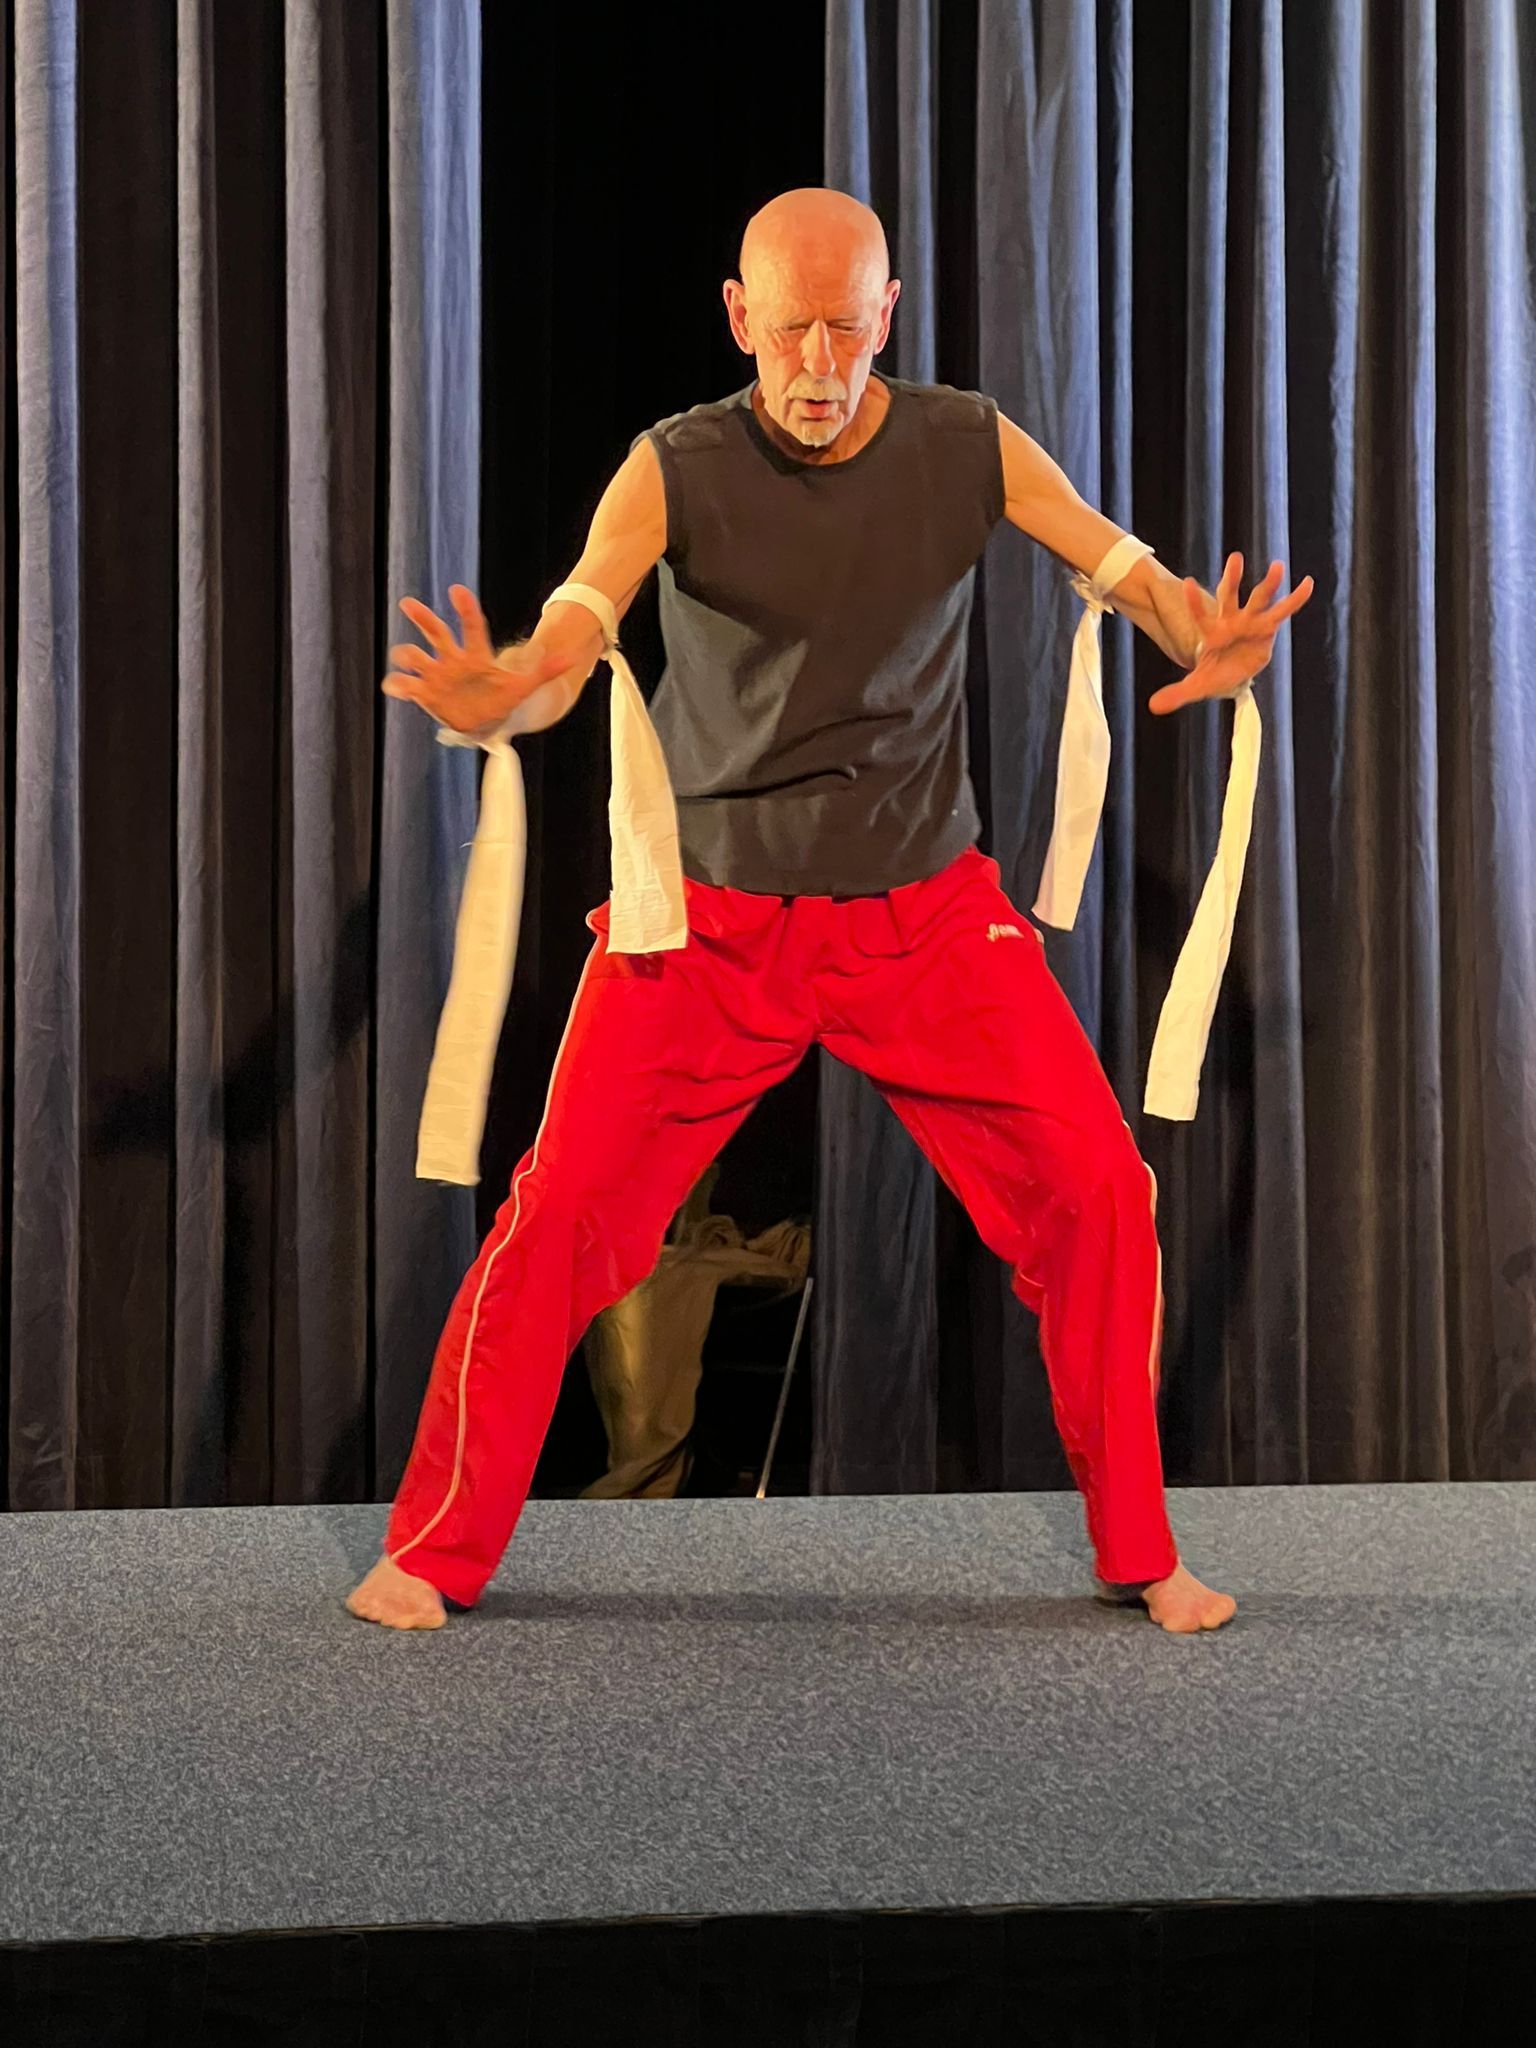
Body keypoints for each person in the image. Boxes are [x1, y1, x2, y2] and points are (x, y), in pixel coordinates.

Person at [347, 186, 1312, 1636]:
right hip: (710, 930)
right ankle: (430, 1550)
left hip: (924, 918)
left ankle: (1138, 1546)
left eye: (847, 330)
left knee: (1103, 1193)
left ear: (889, 316)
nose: (817, 364)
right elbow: (572, 631)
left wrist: (1201, 632)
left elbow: (1118, 565)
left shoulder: (966, 441)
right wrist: (510, 698)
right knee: (560, 1218)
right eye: (791, 328)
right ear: (740, 316)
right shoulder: (672, 465)